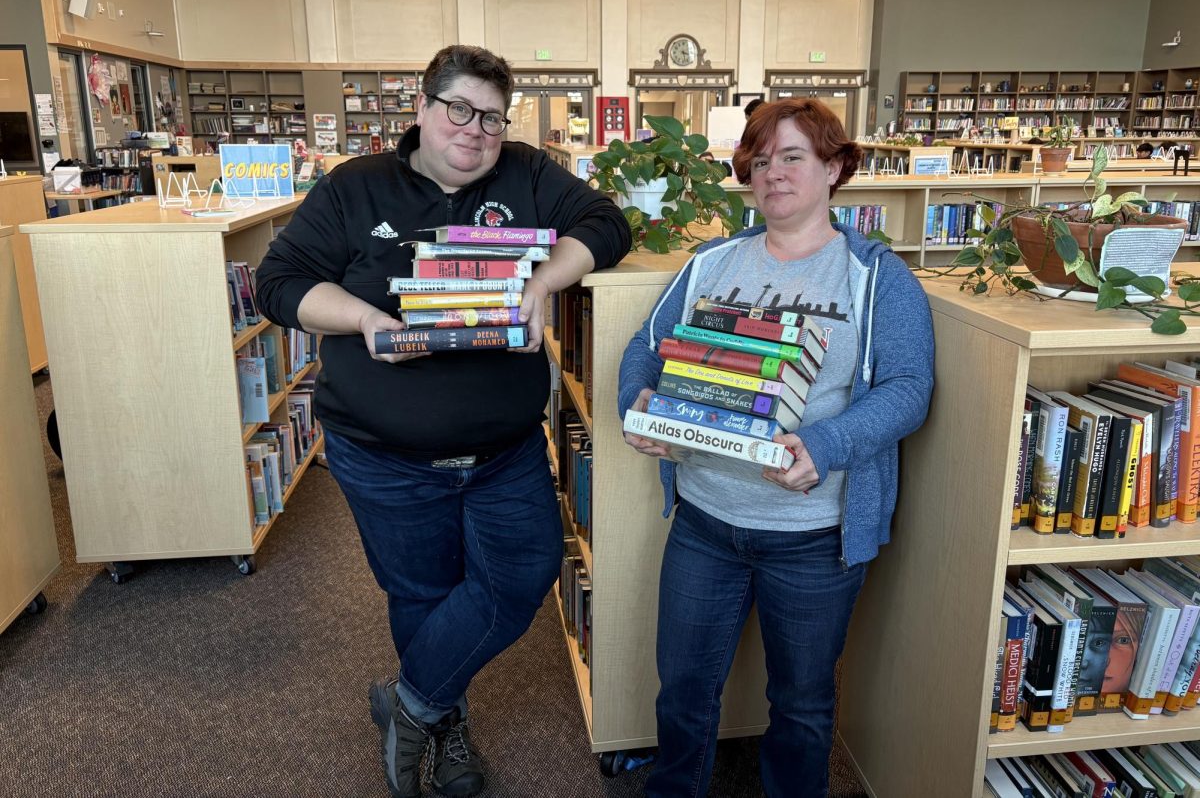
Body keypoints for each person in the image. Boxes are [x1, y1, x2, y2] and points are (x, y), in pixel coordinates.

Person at [255, 44, 631, 798]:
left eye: (491, 116)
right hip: (383, 451)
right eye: (458, 108)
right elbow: (279, 283)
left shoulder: (525, 172)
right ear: (422, 109)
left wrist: (547, 281)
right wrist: (362, 318)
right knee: (422, 594)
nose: (475, 129)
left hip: (505, 449)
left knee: (523, 574)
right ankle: (449, 727)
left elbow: (605, 222)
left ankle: (412, 704)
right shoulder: (354, 188)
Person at [618, 98, 934, 798]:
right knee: (684, 692)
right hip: (704, 523)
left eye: (793, 156)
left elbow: (910, 387)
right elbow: (645, 348)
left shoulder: (878, 278)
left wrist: (826, 443)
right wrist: (635, 404)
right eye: (760, 161)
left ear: (834, 167)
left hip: (813, 537)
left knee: (802, 706)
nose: (773, 173)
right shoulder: (710, 264)